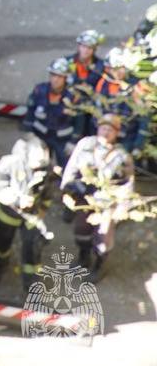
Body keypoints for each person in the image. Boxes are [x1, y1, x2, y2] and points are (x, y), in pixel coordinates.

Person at [61, 113, 135, 280]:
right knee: (81, 230)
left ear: (116, 133)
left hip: (107, 204)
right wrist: (67, 190)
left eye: (110, 129)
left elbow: (127, 184)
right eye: (103, 128)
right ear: (98, 128)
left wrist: (122, 208)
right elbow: (71, 168)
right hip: (84, 198)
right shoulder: (85, 144)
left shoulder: (122, 157)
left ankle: (99, 265)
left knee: (103, 237)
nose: (106, 132)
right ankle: (83, 258)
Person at [0, 135, 55, 291]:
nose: (39, 168)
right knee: (2, 244)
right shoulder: (10, 163)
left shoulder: (46, 167)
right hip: (8, 214)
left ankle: (31, 284)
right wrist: (18, 200)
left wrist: (43, 210)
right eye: (36, 164)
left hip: (31, 216)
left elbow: (48, 192)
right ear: (26, 156)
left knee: (33, 247)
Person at [21, 58, 81, 166]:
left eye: (60, 76)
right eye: (53, 75)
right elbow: (30, 113)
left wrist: (73, 142)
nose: (55, 79)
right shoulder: (39, 90)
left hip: (63, 141)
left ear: (66, 78)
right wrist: (30, 134)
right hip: (40, 137)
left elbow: (80, 121)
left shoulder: (73, 97)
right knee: (36, 163)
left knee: (67, 167)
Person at [86, 48, 145, 152]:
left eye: (122, 68)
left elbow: (144, 117)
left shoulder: (135, 86)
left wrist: (138, 145)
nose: (120, 71)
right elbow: (96, 112)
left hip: (127, 138)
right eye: (115, 68)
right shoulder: (102, 84)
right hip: (105, 136)